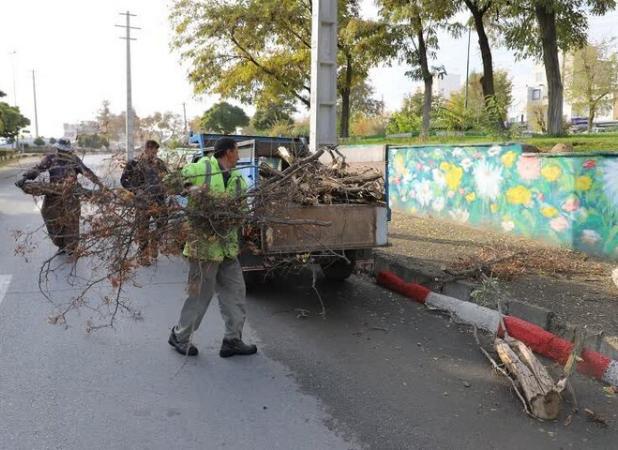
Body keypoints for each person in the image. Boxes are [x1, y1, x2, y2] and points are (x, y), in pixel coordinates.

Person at [168, 137, 257, 358]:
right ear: (228, 152)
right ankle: (180, 336)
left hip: (227, 248)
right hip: (204, 249)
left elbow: (241, 212)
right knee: (200, 296)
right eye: (237, 152)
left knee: (236, 293)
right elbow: (171, 181)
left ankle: (232, 340)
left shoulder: (238, 180)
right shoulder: (202, 167)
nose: (239, 156)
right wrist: (193, 189)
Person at [15, 138, 103, 255]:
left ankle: (71, 248)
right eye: (61, 150)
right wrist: (25, 177)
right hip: (53, 195)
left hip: (71, 195)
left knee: (71, 221)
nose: (64, 153)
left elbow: (86, 171)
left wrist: (99, 184)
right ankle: (61, 246)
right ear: (58, 149)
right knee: (52, 219)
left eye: (66, 151)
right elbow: (38, 169)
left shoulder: (73, 159)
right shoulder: (50, 158)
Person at [120, 139, 169, 265]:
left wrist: (168, 187)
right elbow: (124, 180)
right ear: (146, 149)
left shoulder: (160, 163)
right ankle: (143, 255)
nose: (155, 153)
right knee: (142, 228)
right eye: (152, 150)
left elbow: (168, 178)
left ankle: (154, 242)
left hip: (159, 200)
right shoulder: (134, 163)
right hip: (143, 202)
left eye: (156, 150)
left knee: (163, 222)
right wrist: (136, 191)